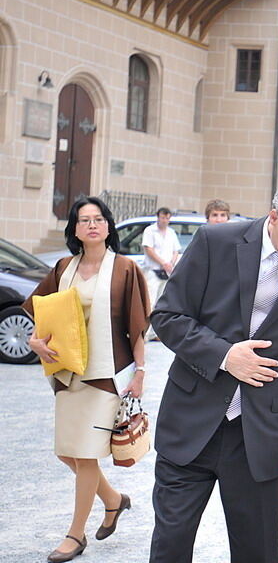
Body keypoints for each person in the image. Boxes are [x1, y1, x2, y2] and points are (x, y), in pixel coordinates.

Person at [148, 171, 278, 563]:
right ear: (275, 217)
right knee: (169, 547)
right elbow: (167, 316)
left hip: (261, 435)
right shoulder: (214, 242)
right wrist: (225, 355)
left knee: (256, 552)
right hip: (190, 423)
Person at [25, 196, 150, 562]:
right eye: (84, 220)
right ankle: (113, 500)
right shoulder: (64, 267)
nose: (92, 225)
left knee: (84, 455)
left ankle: (75, 535)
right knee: (67, 452)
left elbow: (138, 327)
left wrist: (141, 372)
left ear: (108, 227)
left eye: (98, 219)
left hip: (106, 376)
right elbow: (40, 309)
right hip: (68, 373)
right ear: (75, 229)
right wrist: (35, 340)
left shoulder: (125, 268)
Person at [141, 207, 180, 339]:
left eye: (167, 218)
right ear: (158, 217)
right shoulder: (150, 231)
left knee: (161, 304)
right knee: (150, 302)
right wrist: (163, 263)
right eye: (162, 217)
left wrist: (170, 263)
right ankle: (144, 334)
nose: (164, 220)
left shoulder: (171, 233)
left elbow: (176, 251)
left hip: (167, 272)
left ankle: (154, 333)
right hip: (153, 270)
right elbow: (148, 249)